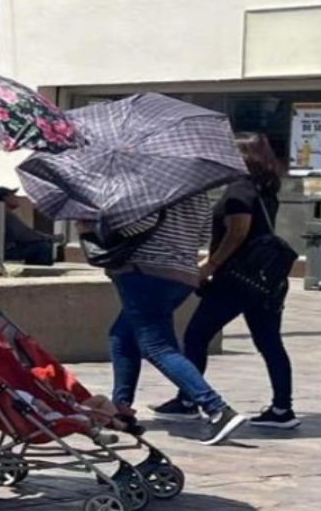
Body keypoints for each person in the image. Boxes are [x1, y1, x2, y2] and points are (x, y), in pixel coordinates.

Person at [153, 132, 297, 429]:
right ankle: (283, 409)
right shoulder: (264, 189)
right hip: (264, 281)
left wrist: (211, 265)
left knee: (196, 336)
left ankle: (189, 399)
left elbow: (237, 233)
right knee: (269, 342)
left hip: (235, 280)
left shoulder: (238, 191)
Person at [98, 190, 248, 445]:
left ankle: (217, 409)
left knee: (157, 346)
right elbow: (202, 235)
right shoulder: (195, 192)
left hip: (145, 272)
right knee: (122, 335)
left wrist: (96, 222)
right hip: (181, 275)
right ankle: (121, 407)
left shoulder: (146, 187)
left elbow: (135, 226)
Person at [0, 186, 59, 265]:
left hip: (2, 249)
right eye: (13, 195)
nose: (16, 197)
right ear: (5, 198)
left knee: (37, 245)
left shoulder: (0, 212)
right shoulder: (6, 214)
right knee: (43, 247)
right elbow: (24, 234)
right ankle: (41, 273)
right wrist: (48, 238)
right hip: (7, 251)